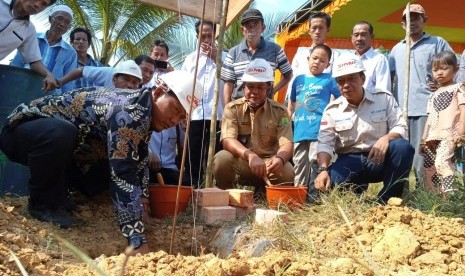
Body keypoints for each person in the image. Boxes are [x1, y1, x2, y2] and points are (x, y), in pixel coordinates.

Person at [0, 70, 202, 255]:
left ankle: (62, 196)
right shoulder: (130, 110)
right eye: (175, 109)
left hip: (62, 147)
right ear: (158, 92)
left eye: (181, 117)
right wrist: (136, 238)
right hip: (22, 132)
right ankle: (42, 203)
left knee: (109, 159)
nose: (174, 120)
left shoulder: (145, 115)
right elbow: (123, 173)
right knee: (65, 133)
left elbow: (139, 160)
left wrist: (145, 203)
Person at [314, 54, 414, 204]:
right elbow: (325, 143)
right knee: (332, 184)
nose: (346, 85)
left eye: (351, 79)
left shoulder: (384, 98)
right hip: (349, 161)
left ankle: (388, 200)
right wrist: (323, 170)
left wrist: (386, 138)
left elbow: (400, 125)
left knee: (403, 147)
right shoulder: (331, 110)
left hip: (380, 158)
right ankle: (356, 191)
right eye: (341, 81)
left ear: (362, 78)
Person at [388, 4, 453, 187]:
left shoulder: (437, 43)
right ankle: (399, 194)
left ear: (424, 20)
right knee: (399, 155)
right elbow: (388, 78)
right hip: (400, 111)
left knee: (422, 156)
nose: (412, 22)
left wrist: (441, 84)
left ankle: (424, 195)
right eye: (408, 19)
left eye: (416, 18)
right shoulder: (395, 50)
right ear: (402, 24)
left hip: (426, 108)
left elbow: (451, 67)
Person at [213, 58, 294, 192]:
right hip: (243, 162)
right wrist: (250, 156)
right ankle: (228, 197)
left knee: (287, 171)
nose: (254, 91)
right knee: (221, 159)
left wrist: (279, 159)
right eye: (250, 86)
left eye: (260, 87)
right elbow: (228, 140)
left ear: (268, 88)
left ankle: (266, 194)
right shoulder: (232, 109)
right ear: (243, 86)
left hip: (269, 165)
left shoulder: (281, 112)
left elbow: (287, 143)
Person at [287, 45, 340, 199]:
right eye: (315, 58)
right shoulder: (298, 80)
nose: (317, 62)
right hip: (299, 131)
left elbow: (340, 98)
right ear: (308, 58)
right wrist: (290, 120)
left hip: (318, 131)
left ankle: (314, 199)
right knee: (299, 165)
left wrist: (333, 115)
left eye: (322, 60)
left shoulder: (329, 80)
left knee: (315, 162)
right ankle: (298, 198)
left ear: (327, 65)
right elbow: (292, 103)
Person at [182, 20, 226, 187]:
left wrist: (216, 57)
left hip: (219, 114)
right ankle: (193, 189)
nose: (206, 39)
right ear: (197, 37)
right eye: (203, 36)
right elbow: (185, 87)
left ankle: (215, 189)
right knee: (194, 155)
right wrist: (185, 113)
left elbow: (231, 79)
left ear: (215, 35)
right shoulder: (190, 59)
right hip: (196, 114)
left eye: (209, 35)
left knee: (216, 155)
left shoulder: (225, 56)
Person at [221, 8, 293, 105]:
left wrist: (272, 91)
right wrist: (227, 110)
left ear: (263, 27)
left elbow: (288, 75)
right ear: (242, 30)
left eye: (255, 23)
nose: (252, 28)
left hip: (265, 109)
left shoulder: (275, 50)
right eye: (248, 25)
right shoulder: (233, 53)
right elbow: (228, 84)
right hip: (240, 108)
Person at [420, 51, 465, 194]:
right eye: (435, 70)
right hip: (432, 138)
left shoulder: (458, 88)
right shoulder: (433, 94)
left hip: (449, 135)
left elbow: (464, 110)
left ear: (456, 69)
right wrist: (423, 139)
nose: (439, 72)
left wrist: (460, 133)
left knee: (442, 161)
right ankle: (434, 198)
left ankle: (450, 195)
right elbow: (429, 118)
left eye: (444, 68)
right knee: (429, 167)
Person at [11, 4, 77, 94]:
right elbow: (16, 64)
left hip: (49, 96)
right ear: (50, 19)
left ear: (69, 27)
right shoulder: (32, 37)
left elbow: (68, 83)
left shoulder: (70, 52)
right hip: (22, 88)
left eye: (67, 22)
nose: (62, 24)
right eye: (59, 18)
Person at [0, 0, 58, 91]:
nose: (37, 5)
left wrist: (49, 75)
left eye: (44, 4)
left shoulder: (29, 30)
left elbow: (34, 61)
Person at [59, 56, 155, 89]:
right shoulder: (110, 72)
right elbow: (81, 70)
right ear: (114, 79)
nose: (147, 75)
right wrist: (59, 83)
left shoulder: (147, 92)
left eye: (151, 73)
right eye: (145, 70)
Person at [351, 21, 391, 92]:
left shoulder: (379, 59)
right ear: (352, 38)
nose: (359, 38)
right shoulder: (347, 59)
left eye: (363, 34)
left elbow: (383, 90)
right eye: (356, 35)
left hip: (371, 102)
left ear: (372, 37)